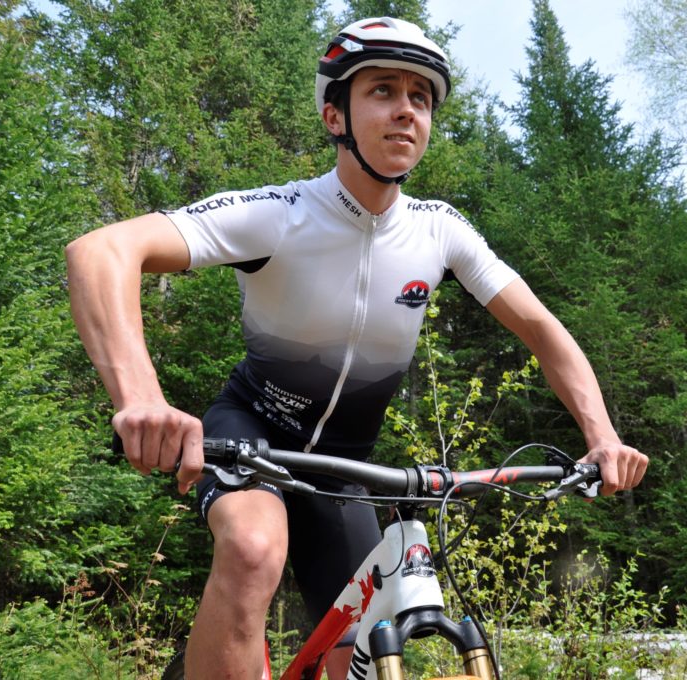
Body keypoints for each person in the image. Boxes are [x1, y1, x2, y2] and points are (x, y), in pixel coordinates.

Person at [66, 16, 648, 679]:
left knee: (366, 645)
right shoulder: (281, 214)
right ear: (334, 115)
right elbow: (101, 252)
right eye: (383, 90)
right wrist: (140, 398)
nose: (406, 109)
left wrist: (601, 436)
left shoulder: (441, 233)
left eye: (421, 98)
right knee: (255, 550)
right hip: (255, 433)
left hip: (348, 470)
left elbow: (545, 331)